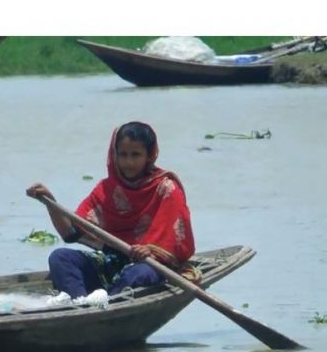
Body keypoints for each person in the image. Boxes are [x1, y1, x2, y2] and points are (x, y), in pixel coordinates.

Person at [26, 121, 198, 304]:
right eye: (122, 155)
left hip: (149, 266)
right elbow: (71, 232)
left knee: (139, 274)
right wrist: (50, 203)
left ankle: (106, 304)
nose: (128, 162)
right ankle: (79, 305)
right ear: (114, 155)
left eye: (136, 155)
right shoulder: (106, 189)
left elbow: (176, 242)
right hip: (112, 263)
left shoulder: (166, 188)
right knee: (60, 257)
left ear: (149, 156)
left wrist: (149, 250)